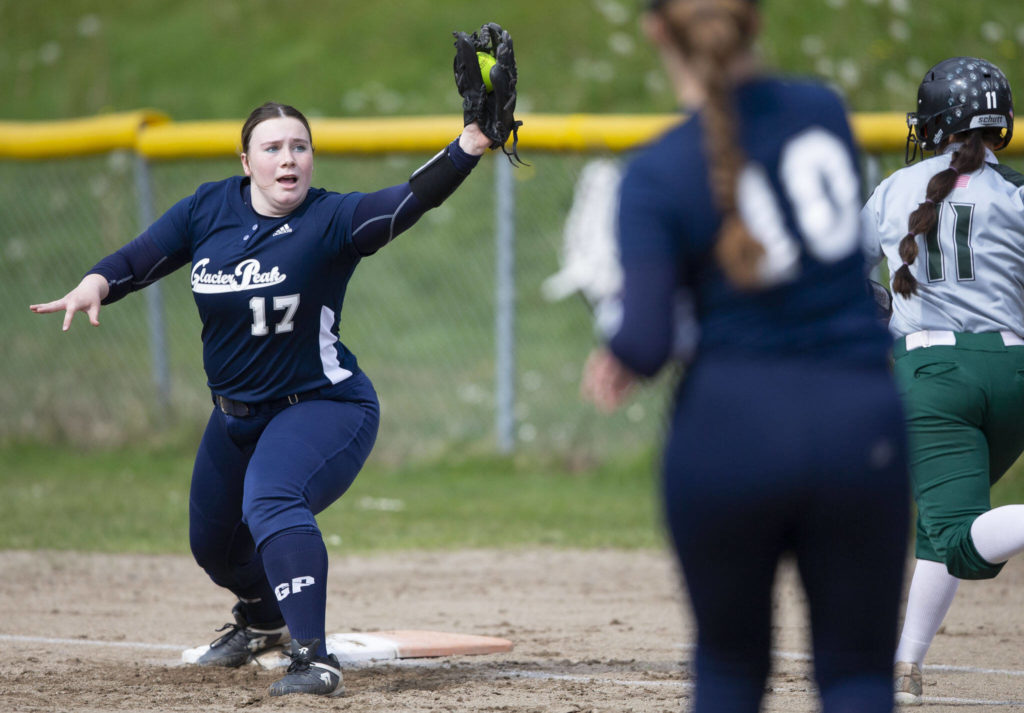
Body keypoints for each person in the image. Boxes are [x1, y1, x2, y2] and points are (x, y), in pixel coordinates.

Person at [29, 90, 499, 695]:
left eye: (299, 147)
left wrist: (468, 146)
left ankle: (314, 660)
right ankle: (263, 620)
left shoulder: (329, 219)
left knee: (272, 500)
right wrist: (95, 283)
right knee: (215, 547)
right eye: (272, 148)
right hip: (233, 417)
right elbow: (142, 257)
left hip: (323, 406)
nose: (288, 160)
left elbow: (405, 202)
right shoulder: (209, 208)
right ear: (245, 161)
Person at [580, 1, 910, 711]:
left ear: (656, 28)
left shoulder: (658, 171)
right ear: (754, 19)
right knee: (856, 673)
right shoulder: (823, 111)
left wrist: (617, 355)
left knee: (730, 667)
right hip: (858, 423)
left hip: (732, 431)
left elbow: (647, 340)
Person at [860, 56, 1024, 706]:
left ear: (930, 124)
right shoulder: (1015, 194)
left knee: (958, 532)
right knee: (939, 520)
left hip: (934, 372)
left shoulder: (899, 190)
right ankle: (906, 660)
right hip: (1014, 373)